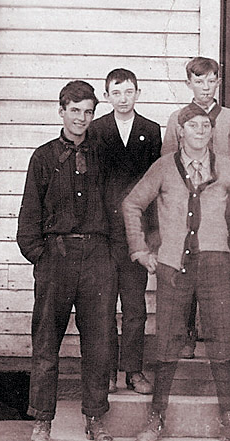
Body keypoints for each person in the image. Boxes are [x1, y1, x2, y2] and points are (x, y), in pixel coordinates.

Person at [122, 103, 230, 441]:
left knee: (221, 339)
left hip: (215, 264)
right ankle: (156, 418)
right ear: (180, 131)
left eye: (205, 126)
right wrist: (140, 249)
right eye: (193, 126)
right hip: (173, 265)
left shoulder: (223, 166)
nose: (200, 131)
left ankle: (229, 420)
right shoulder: (163, 167)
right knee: (167, 339)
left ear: (212, 132)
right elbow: (132, 204)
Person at [17, 80, 115, 441]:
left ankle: (95, 417)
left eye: (88, 112)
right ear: (62, 112)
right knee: (46, 344)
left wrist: (110, 256)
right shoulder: (43, 157)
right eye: (75, 111)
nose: (81, 118)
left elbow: (118, 206)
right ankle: (43, 421)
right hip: (56, 259)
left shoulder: (104, 156)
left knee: (98, 343)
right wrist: (40, 257)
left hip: (97, 259)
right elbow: (29, 215)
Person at [161, 56, 230, 360]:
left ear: (218, 82)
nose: (206, 87)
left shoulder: (229, 118)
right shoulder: (177, 118)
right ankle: (186, 335)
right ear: (189, 84)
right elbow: (168, 164)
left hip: (217, 208)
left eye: (211, 81)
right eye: (199, 81)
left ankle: (215, 337)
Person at [89, 68, 160, 395]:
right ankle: (107, 373)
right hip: (105, 232)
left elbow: (155, 185)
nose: (122, 98)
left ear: (137, 93)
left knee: (134, 307)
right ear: (107, 96)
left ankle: (133, 371)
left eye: (128, 92)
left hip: (136, 234)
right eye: (116, 93)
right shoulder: (97, 130)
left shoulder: (150, 130)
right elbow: (92, 184)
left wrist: (150, 236)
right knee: (104, 308)